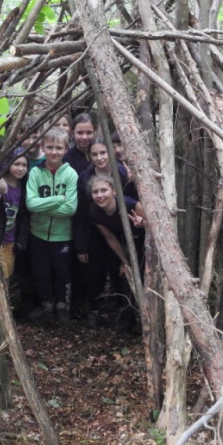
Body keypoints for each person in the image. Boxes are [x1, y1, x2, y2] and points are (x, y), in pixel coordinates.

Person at [74, 138, 132, 326]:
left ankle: (124, 311)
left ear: (111, 152)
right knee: (94, 271)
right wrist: (81, 244)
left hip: (121, 229)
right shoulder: (85, 177)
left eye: (103, 153)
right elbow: (81, 212)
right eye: (95, 154)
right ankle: (94, 310)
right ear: (89, 156)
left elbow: (133, 201)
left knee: (120, 270)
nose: (99, 158)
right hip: (94, 229)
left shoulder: (122, 172)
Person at [25, 128, 78, 326]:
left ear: (66, 149)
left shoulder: (70, 174)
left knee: (63, 273)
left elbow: (70, 209)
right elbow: (31, 204)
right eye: (50, 147)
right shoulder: (35, 172)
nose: (54, 152)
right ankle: (46, 306)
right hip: (38, 233)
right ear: (42, 147)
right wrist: (59, 199)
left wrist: (43, 206)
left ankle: (63, 307)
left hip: (62, 235)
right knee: (41, 271)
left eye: (58, 148)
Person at [88, 173, 146, 331]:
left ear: (114, 191)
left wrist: (142, 224)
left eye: (104, 190)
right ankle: (128, 316)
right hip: (125, 244)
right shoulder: (95, 213)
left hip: (143, 243)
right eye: (95, 192)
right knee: (124, 276)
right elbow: (111, 238)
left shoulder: (130, 204)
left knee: (143, 278)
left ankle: (145, 319)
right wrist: (125, 262)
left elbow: (152, 225)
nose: (99, 195)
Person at [0, 148, 29, 284]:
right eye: (16, 164)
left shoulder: (25, 186)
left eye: (24, 165)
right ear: (8, 164)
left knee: (8, 273)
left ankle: (6, 296)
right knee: (1, 274)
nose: (20, 168)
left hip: (12, 239)